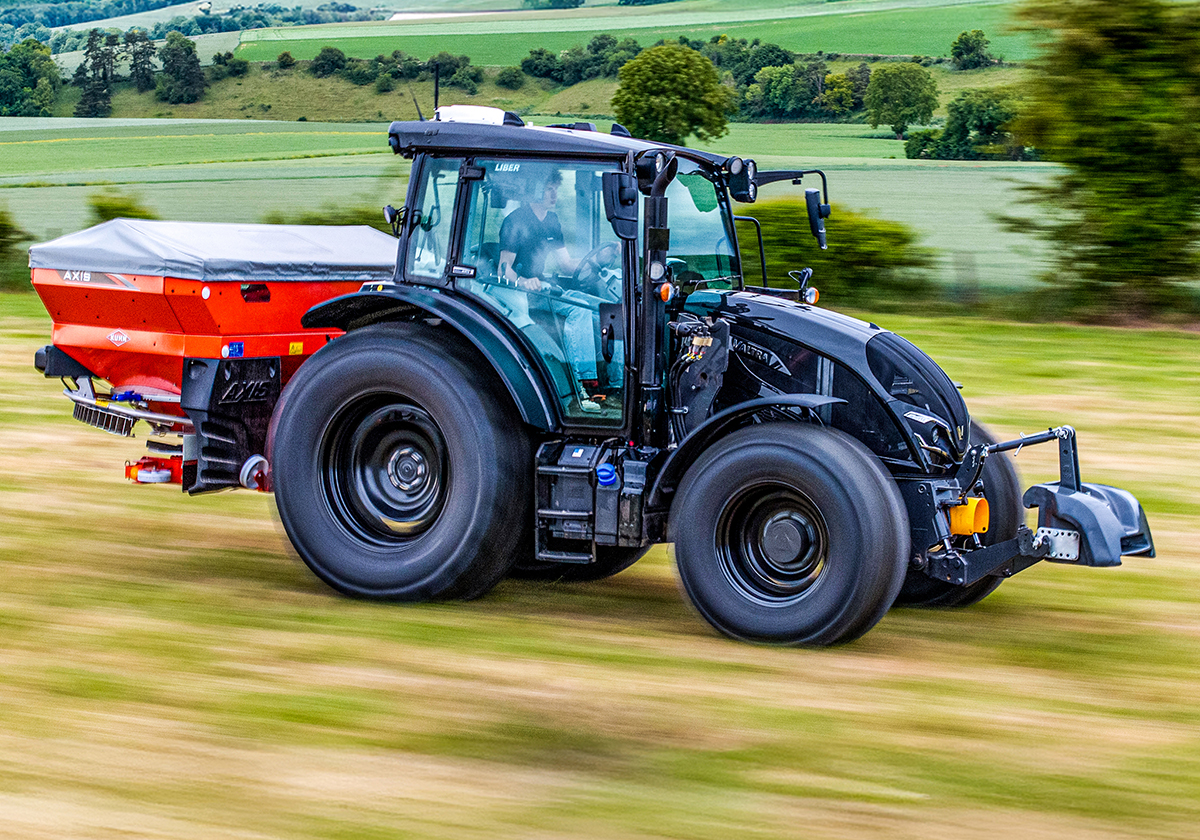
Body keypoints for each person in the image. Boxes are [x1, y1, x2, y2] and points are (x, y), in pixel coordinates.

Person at [497, 167, 619, 412]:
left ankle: (617, 387)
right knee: (579, 310)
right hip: (523, 294)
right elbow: (503, 269)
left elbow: (566, 264)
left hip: (545, 288)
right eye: (548, 189)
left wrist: (599, 258)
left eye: (555, 189)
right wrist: (523, 281)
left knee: (609, 310)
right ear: (535, 190)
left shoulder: (552, 221)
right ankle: (585, 388)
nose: (554, 195)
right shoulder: (515, 221)